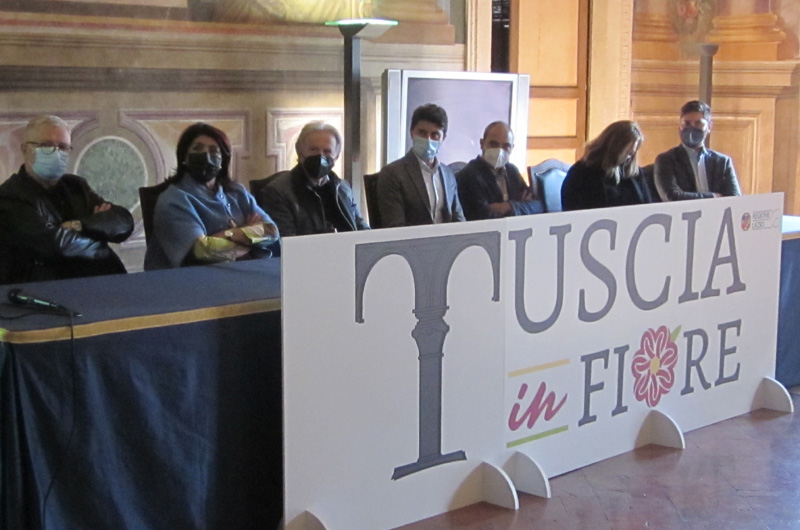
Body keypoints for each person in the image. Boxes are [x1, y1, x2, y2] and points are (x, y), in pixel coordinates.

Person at [0, 115, 134, 285]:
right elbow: (57, 246)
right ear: (25, 149)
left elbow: (123, 222)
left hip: (101, 280)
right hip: (49, 287)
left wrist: (79, 225)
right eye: (46, 145)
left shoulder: (76, 185)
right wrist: (100, 241)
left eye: (63, 147)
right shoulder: (10, 195)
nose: (56, 153)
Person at [144, 123, 278, 270]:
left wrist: (227, 235)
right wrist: (248, 238)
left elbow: (271, 231)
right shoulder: (173, 200)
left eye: (214, 151)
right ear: (184, 156)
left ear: (223, 161)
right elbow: (202, 252)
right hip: (187, 280)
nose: (206, 156)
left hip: (240, 272)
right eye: (197, 148)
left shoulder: (237, 192)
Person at [260, 121, 369, 236]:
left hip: (347, 247)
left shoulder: (342, 187)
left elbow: (361, 227)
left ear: (336, 156)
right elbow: (285, 239)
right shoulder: (278, 191)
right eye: (313, 150)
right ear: (300, 152)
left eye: (327, 151)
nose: (320, 156)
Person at [376, 103, 465, 227]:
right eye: (422, 133)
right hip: (410, 239)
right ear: (412, 133)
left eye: (435, 135)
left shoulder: (448, 174)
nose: (428, 139)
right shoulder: (392, 173)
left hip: (447, 238)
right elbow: (395, 226)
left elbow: (459, 221)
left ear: (443, 138)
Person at [654, 100, 741, 201]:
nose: (691, 128)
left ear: (709, 127)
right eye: (686, 123)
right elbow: (672, 196)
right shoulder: (666, 160)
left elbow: (735, 198)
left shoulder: (723, 162)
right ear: (680, 126)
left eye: (698, 124)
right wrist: (713, 196)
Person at [456, 121, 544, 220]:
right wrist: (521, 206)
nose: (500, 150)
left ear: (512, 148)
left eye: (506, 146)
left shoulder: (512, 171)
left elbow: (538, 206)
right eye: (494, 144)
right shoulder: (468, 176)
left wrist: (509, 206)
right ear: (482, 144)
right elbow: (482, 216)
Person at [561, 120, 652, 211]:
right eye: (627, 153)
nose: (629, 158)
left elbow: (647, 207)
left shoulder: (633, 172)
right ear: (614, 147)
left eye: (632, 153)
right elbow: (574, 211)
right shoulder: (581, 173)